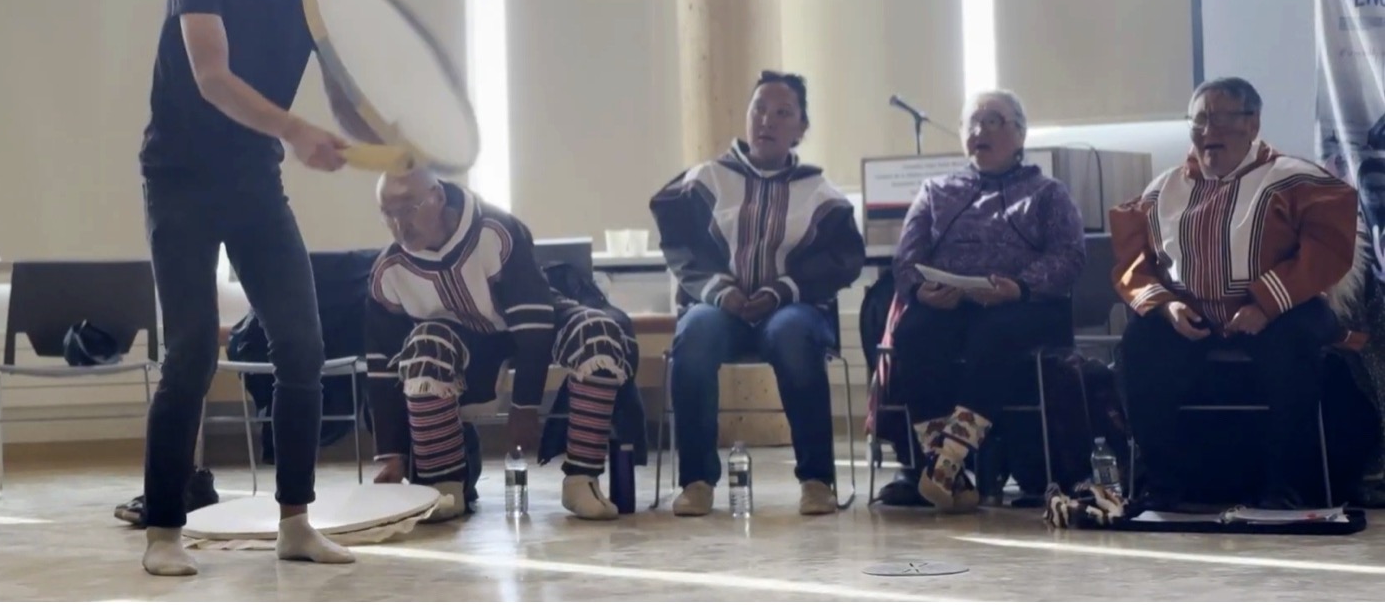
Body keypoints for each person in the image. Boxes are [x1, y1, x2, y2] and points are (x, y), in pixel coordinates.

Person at [137, 0, 369, 576]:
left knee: (302, 345)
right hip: (178, 179)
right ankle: (164, 532)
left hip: (253, 182)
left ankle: (295, 522)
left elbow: (340, 94)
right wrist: (297, 131)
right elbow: (211, 76)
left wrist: (393, 141)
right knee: (193, 351)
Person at [1111, 77, 1358, 509]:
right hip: (1192, 315)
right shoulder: (1162, 191)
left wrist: (1265, 303)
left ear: (1252, 123)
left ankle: (1284, 485)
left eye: (1222, 119)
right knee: (1140, 343)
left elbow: (1327, 251)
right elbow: (1136, 265)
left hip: (1284, 310)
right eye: (1200, 120)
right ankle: (1161, 485)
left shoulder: (1295, 179)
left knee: (1293, 343)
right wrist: (1166, 305)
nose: (1209, 132)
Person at [649, 71, 865, 517]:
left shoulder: (821, 195)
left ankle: (816, 479)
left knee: (792, 336)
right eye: (759, 109)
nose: (767, 120)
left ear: (801, 128)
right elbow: (682, 247)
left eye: (782, 113)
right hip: (720, 308)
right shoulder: (705, 180)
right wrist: (720, 291)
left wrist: (781, 290)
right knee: (695, 337)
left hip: (790, 309)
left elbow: (841, 260)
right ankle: (696, 480)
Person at [365, 168, 634, 521]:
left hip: (529, 323)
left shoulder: (497, 230)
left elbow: (534, 323)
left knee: (598, 332)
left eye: (410, 209)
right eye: (389, 213)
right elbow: (383, 367)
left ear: (439, 196)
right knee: (422, 348)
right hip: (461, 341)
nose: (400, 225)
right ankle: (444, 486)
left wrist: (525, 405)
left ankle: (581, 479)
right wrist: (393, 454)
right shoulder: (387, 272)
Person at [877, 89, 1085, 511]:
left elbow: (1070, 256)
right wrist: (921, 292)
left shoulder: (1048, 192)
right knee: (914, 330)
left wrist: (1020, 287)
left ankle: (946, 459)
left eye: (993, 121)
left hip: (1026, 305)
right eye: (971, 123)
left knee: (996, 330)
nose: (979, 130)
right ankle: (950, 478)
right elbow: (906, 260)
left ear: (1021, 134)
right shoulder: (936, 191)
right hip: (951, 304)